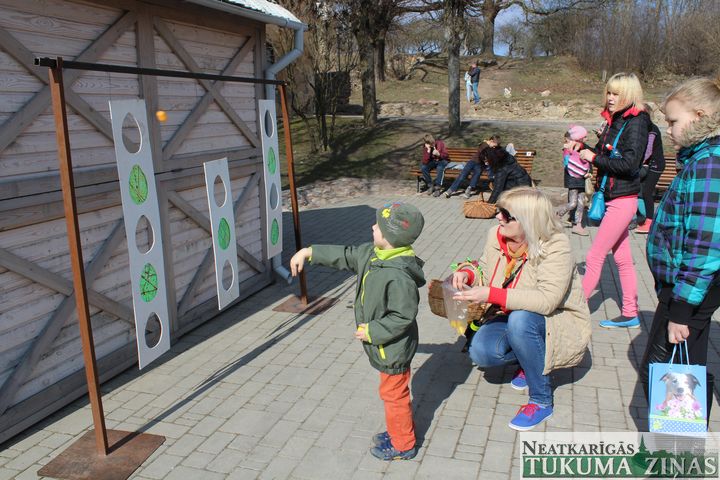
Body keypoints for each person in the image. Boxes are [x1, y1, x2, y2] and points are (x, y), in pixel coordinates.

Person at [290, 202, 426, 460]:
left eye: (379, 226)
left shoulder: (399, 276)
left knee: (394, 395)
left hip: (392, 349)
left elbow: (403, 316)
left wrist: (373, 331)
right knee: (391, 394)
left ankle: (403, 444)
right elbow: (345, 254)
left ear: (391, 237)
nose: (372, 226)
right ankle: (398, 431)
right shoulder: (373, 254)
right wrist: (309, 252)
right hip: (384, 345)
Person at [451, 187, 591, 430]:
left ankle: (541, 400)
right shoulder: (495, 235)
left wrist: (491, 294)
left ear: (528, 220)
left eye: (506, 214)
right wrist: (467, 274)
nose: (498, 217)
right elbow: (485, 269)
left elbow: (547, 300)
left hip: (552, 318)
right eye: (499, 211)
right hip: (508, 312)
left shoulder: (556, 245)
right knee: (481, 352)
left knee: (521, 320)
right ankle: (529, 358)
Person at [640, 75, 720, 422]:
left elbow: (705, 246)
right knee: (686, 364)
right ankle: (680, 441)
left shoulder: (709, 164)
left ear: (700, 117)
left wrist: (682, 310)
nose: (668, 130)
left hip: (691, 290)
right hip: (688, 288)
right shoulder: (701, 159)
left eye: (673, 121)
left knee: (668, 371)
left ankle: (678, 445)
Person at [578, 72, 651, 329]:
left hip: (622, 199)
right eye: (608, 92)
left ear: (629, 95)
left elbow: (629, 164)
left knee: (595, 255)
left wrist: (593, 158)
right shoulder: (617, 119)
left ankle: (575, 307)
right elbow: (608, 155)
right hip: (613, 196)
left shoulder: (637, 122)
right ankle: (630, 313)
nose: (610, 97)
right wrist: (585, 148)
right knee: (622, 260)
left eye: (616, 93)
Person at [556, 125, 592, 236]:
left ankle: (578, 225)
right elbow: (567, 163)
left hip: (582, 179)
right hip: (572, 179)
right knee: (573, 203)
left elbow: (590, 160)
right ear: (579, 137)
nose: (586, 138)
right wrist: (572, 150)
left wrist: (589, 172)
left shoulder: (585, 147)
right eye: (584, 137)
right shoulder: (567, 148)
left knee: (581, 203)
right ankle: (556, 217)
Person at [634, 116, 665, 234]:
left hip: (656, 165)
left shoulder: (652, 130)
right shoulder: (646, 129)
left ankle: (649, 221)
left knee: (647, 192)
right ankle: (642, 217)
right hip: (651, 165)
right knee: (641, 191)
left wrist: (638, 162)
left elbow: (648, 150)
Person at [444, 135, 501, 199]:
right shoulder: (483, 144)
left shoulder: (491, 147)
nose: (494, 147)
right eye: (494, 145)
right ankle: (451, 190)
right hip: (473, 162)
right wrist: (486, 160)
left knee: (476, 175)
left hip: (480, 165)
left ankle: (468, 190)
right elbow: (483, 154)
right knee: (462, 175)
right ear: (491, 141)